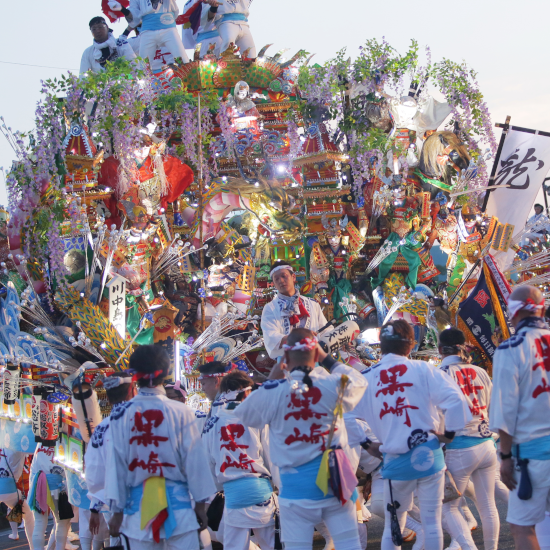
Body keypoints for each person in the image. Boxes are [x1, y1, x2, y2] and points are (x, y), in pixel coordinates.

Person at [234, 327, 367, 550]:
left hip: (295, 490)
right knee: (349, 546)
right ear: (315, 354)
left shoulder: (273, 392)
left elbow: (244, 414)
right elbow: (359, 381)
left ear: (284, 357)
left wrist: (271, 380)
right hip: (335, 484)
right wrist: (326, 359)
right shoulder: (331, 384)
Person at [354, 320, 471, 550]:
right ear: (411, 345)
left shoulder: (365, 378)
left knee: (393, 524)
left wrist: (367, 444)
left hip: (394, 460)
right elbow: (457, 402)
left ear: (381, 344)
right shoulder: (425, 370)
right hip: (429, 456)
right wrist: (447, 435)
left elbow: (344, 415)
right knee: (432, 522)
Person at [106, 345, 216, 550]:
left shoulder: (121, 414)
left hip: (137, 515)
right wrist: (201, 505)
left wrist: (116, 512)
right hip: (181, 511)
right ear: (165, 373)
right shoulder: (181, 411)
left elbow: (116, 465)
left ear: (133, 376)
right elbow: (195, 461)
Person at [490, 285, 550, 550]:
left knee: (522, 526)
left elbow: (505, 409)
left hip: (531, 455)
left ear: (512, 315)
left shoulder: (510, 348)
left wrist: (504, 457)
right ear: (542, 309)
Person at [438, 327, 499, 550]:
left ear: (439, 349)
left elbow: (435, 414)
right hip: (486, 443)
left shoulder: (440, 374)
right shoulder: (480, 371)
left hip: (458, 447)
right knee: (488, 505)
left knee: (449, 508)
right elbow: (494, 408)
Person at [203, 370, 276, 549]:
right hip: (261, 490)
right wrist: (279, 484)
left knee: (235, 546)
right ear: (247, 389)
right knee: (270, 544)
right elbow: (271, 454)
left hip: (233, 493)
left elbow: (208, 460)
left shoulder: (213, 420)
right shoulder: (257, 414)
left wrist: (215, 489)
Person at [84, 373, 136, 550]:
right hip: (152, 503)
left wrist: (95, 507)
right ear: (133, 390)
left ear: (107, 396)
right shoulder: (149, 421)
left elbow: (94, 473)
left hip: (116, 508)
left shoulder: (102, 429)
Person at [261, 261, 327, 361]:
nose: (281, 281)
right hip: (286, 360)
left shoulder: (313, 304)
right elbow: (271, 337)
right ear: (273, 284)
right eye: (276, 279)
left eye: (284, 276)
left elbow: (326, 329)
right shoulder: (270, 308)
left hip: (313, 357)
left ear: (293, 277)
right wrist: (299, 337)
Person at [111, 0, 190, 67]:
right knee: (143, 66)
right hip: (148, 30)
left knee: (183, 61)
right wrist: (122, 9)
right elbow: (134, 18)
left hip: (168, 27)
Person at [28, 443, 71, 550]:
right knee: (61, 522)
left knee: (39, 523)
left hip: (38, 485)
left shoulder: (39, 443)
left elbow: (33, 469)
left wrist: (32, 488)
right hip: (59, 485)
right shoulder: (64, 439)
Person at [0, 448, 35, 547]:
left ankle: (15, 533)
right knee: (28, 516)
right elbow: (35, 450)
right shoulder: (16, 444)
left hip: (8, 487)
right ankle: (34, 547)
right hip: (9, 488)